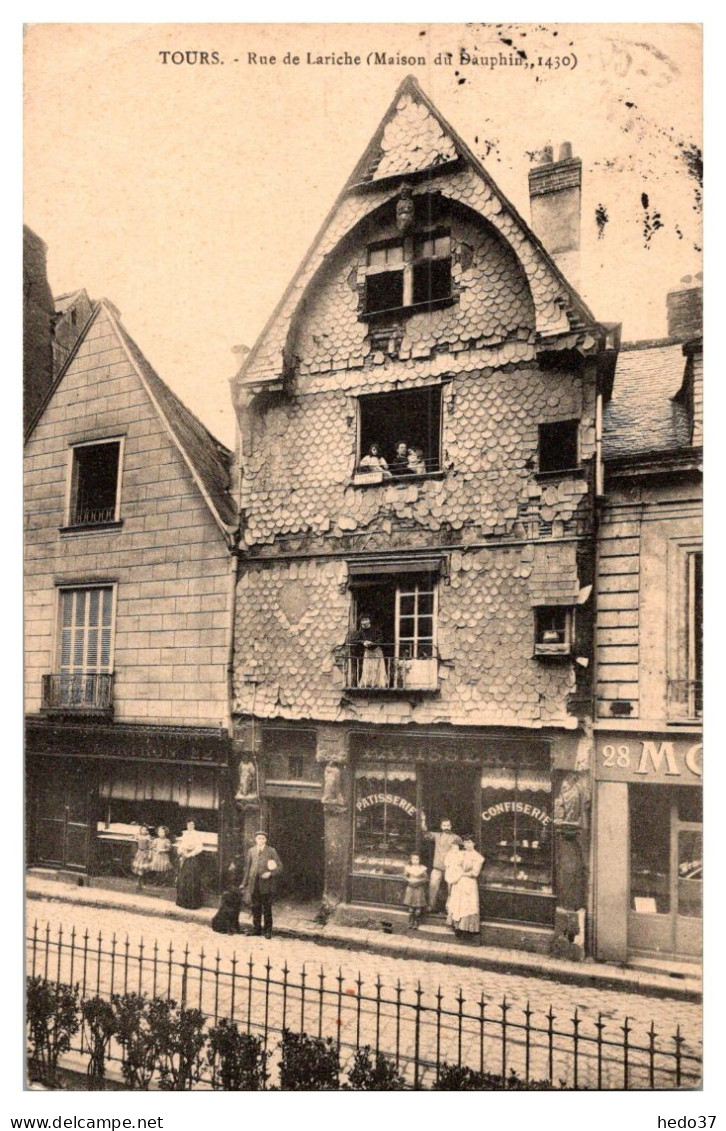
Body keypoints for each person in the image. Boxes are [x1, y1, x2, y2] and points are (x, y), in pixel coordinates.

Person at [241, 831, 284, 939]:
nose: (260, 840)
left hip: (266, 885)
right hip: (253, 883)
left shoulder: (271, 851)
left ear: (266, 840)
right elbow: (247, 868)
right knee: (255, 907)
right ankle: (256, 929)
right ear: (255, 839)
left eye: (262, 838)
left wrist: (270, 873)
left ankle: (268, 931)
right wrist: (244, 883)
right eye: (258, 838)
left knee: (267, 908)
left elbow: (279, 867)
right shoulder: (251, 851)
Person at [420, 812, 462, 912]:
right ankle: (431, 906)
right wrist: (423, 820)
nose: (446, 827)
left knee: (451, 889)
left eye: (448, 825)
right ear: (441, 826)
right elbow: (425, 833)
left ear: (451, 826)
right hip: (437, 867)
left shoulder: (456, 838)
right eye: (444, 825)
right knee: (433, 887)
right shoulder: (437, 836)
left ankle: (451, 909)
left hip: (451, 868)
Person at [445, 835, 485, 941]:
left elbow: (475, 873)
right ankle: (457, 927)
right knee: (457, 904)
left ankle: (467, 929)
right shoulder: (460, 854)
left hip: (469, 883)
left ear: (474, 844)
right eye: (466, 842)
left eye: (470, 842)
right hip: (458, 882)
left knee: (467, 906)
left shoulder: (478, 857)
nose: (467, 844)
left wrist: (462, 874)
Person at [346, 614, 387, 688]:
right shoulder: (360, 632)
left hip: (377, 651)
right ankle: (368, 684)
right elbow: (354, 640)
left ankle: (377, 684)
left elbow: (381, 639)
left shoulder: (376, 629)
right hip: (368, 652)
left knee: (377, 668)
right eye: (362, 621)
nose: (364, 622)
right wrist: (363, 642)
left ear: (369, 621)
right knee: (368, 668)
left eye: (366, 620)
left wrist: (373, 643)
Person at [175, 820, 205, 910]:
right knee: (183, 878)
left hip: (192, 859)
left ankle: (192, 903)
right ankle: (183, 902)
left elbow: (199, 847)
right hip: (185, 857)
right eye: (188, 824)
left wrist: (190, 854)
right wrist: (182, 851)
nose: (190, 826)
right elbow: (181, 845)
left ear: (194, 825)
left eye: (192, 824)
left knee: (192, 879)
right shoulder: (185, 834)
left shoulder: (196, 835)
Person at [212, 863, 243, 935]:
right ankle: (227, 929)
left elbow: (236, 917)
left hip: (233, 896)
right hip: (218, 924)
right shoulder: (229, 897)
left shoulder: (236, 897)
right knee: (227, 914)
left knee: (235, 914)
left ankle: (235, 929)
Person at [403, 853, 428, 929]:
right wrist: (409, 880)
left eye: (417, 859)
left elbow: (426, 878)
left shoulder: (422, 868)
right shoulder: (408, 867)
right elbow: (404, 876)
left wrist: (419, 881)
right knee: (411, 908)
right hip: (411, 887)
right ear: (411, 859)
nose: (415, 861)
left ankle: (416, 922)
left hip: (419, 888)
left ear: (419, 860)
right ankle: (410, 922)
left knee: (418, 907)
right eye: (413, 859)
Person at [131, 825, 153, 891]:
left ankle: (142, 882)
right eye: (142, 829)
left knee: (143, 869)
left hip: (145, 853)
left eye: (145, 830)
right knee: (138, 868)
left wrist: (149, 854)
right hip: (139, 853)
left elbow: (150, 846)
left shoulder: (148, 837)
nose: (144, 831)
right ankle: (139, 882)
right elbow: (134, 838)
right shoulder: (138, 836)